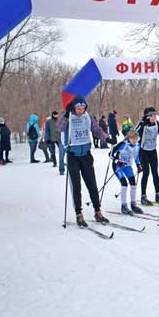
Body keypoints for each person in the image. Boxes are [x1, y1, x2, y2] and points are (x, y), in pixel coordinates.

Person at [56, 95, 110, 227]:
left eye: (83, 108)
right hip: (73, 155)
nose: (81, 110)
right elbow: (59, 128)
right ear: (74, 108)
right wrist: (65, 115)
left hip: (86, 154)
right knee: (76, 186)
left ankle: (97, 211)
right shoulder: (69, 117)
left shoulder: (88, 117)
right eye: (78, 108)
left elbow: (97, 130)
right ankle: (78, 214)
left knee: (92, 184)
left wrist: (107, 139)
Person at [136, 107, 159, 205]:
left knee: (155, 172)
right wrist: (143, 125)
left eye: (155, 115)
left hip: (153, 151)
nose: (154, 117)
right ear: (147, 116)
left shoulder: (156, 123)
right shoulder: (142, 123)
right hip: (143, 151)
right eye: (152, 116)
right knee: (146, 173)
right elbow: (134, 134)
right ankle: (143, 196)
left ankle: (157, 195)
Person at [111, 130, 143, 215]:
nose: (135, 140)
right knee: (124, 183)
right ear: (129, 138)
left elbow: (136, 157)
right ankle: (124, 206)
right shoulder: (123, 144)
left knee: (133, 183)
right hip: (118, 166)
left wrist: (138, 165)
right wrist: (118, 161)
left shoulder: (137, 146)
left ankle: (133, 204)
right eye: (132, 138)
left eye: (136, 138)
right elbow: (110, 154)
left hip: (127, 166)